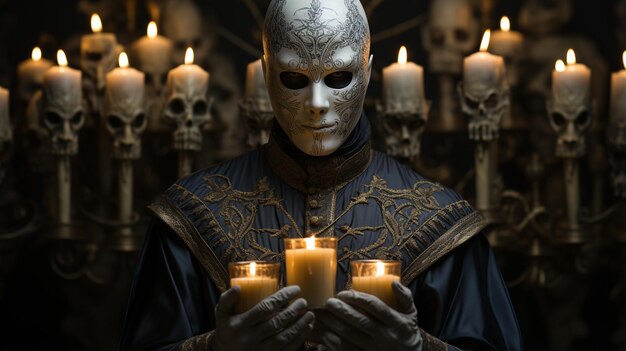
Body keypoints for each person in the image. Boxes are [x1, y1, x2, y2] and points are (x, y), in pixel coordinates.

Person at [119, 0, 523, 350]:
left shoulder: (440, 223)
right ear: (265, 70)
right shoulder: (194, 213)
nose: (316, 104)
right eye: (294, 79)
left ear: (367, 71)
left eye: (337, 77)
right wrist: (215, 348)